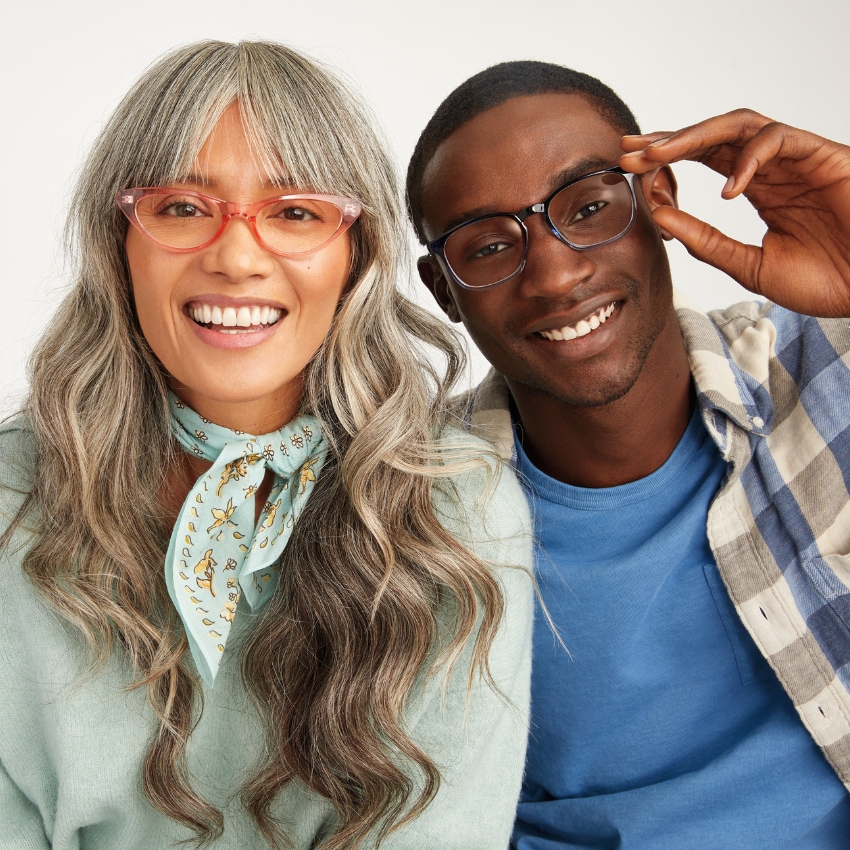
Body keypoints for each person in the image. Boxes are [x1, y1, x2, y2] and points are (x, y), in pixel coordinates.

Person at [0, 41, 534, 850]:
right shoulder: (11, 505)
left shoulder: (457, 514)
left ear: (355, 255)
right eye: (181, 206)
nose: (237, 257)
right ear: (120, 243)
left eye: (295, 212)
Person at [406, 60, 850, 848]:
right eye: (485, 247)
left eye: (588, 207)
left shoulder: (827, 365)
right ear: (443, 289)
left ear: (660, 201)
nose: (556, 273)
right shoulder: (406, 524)